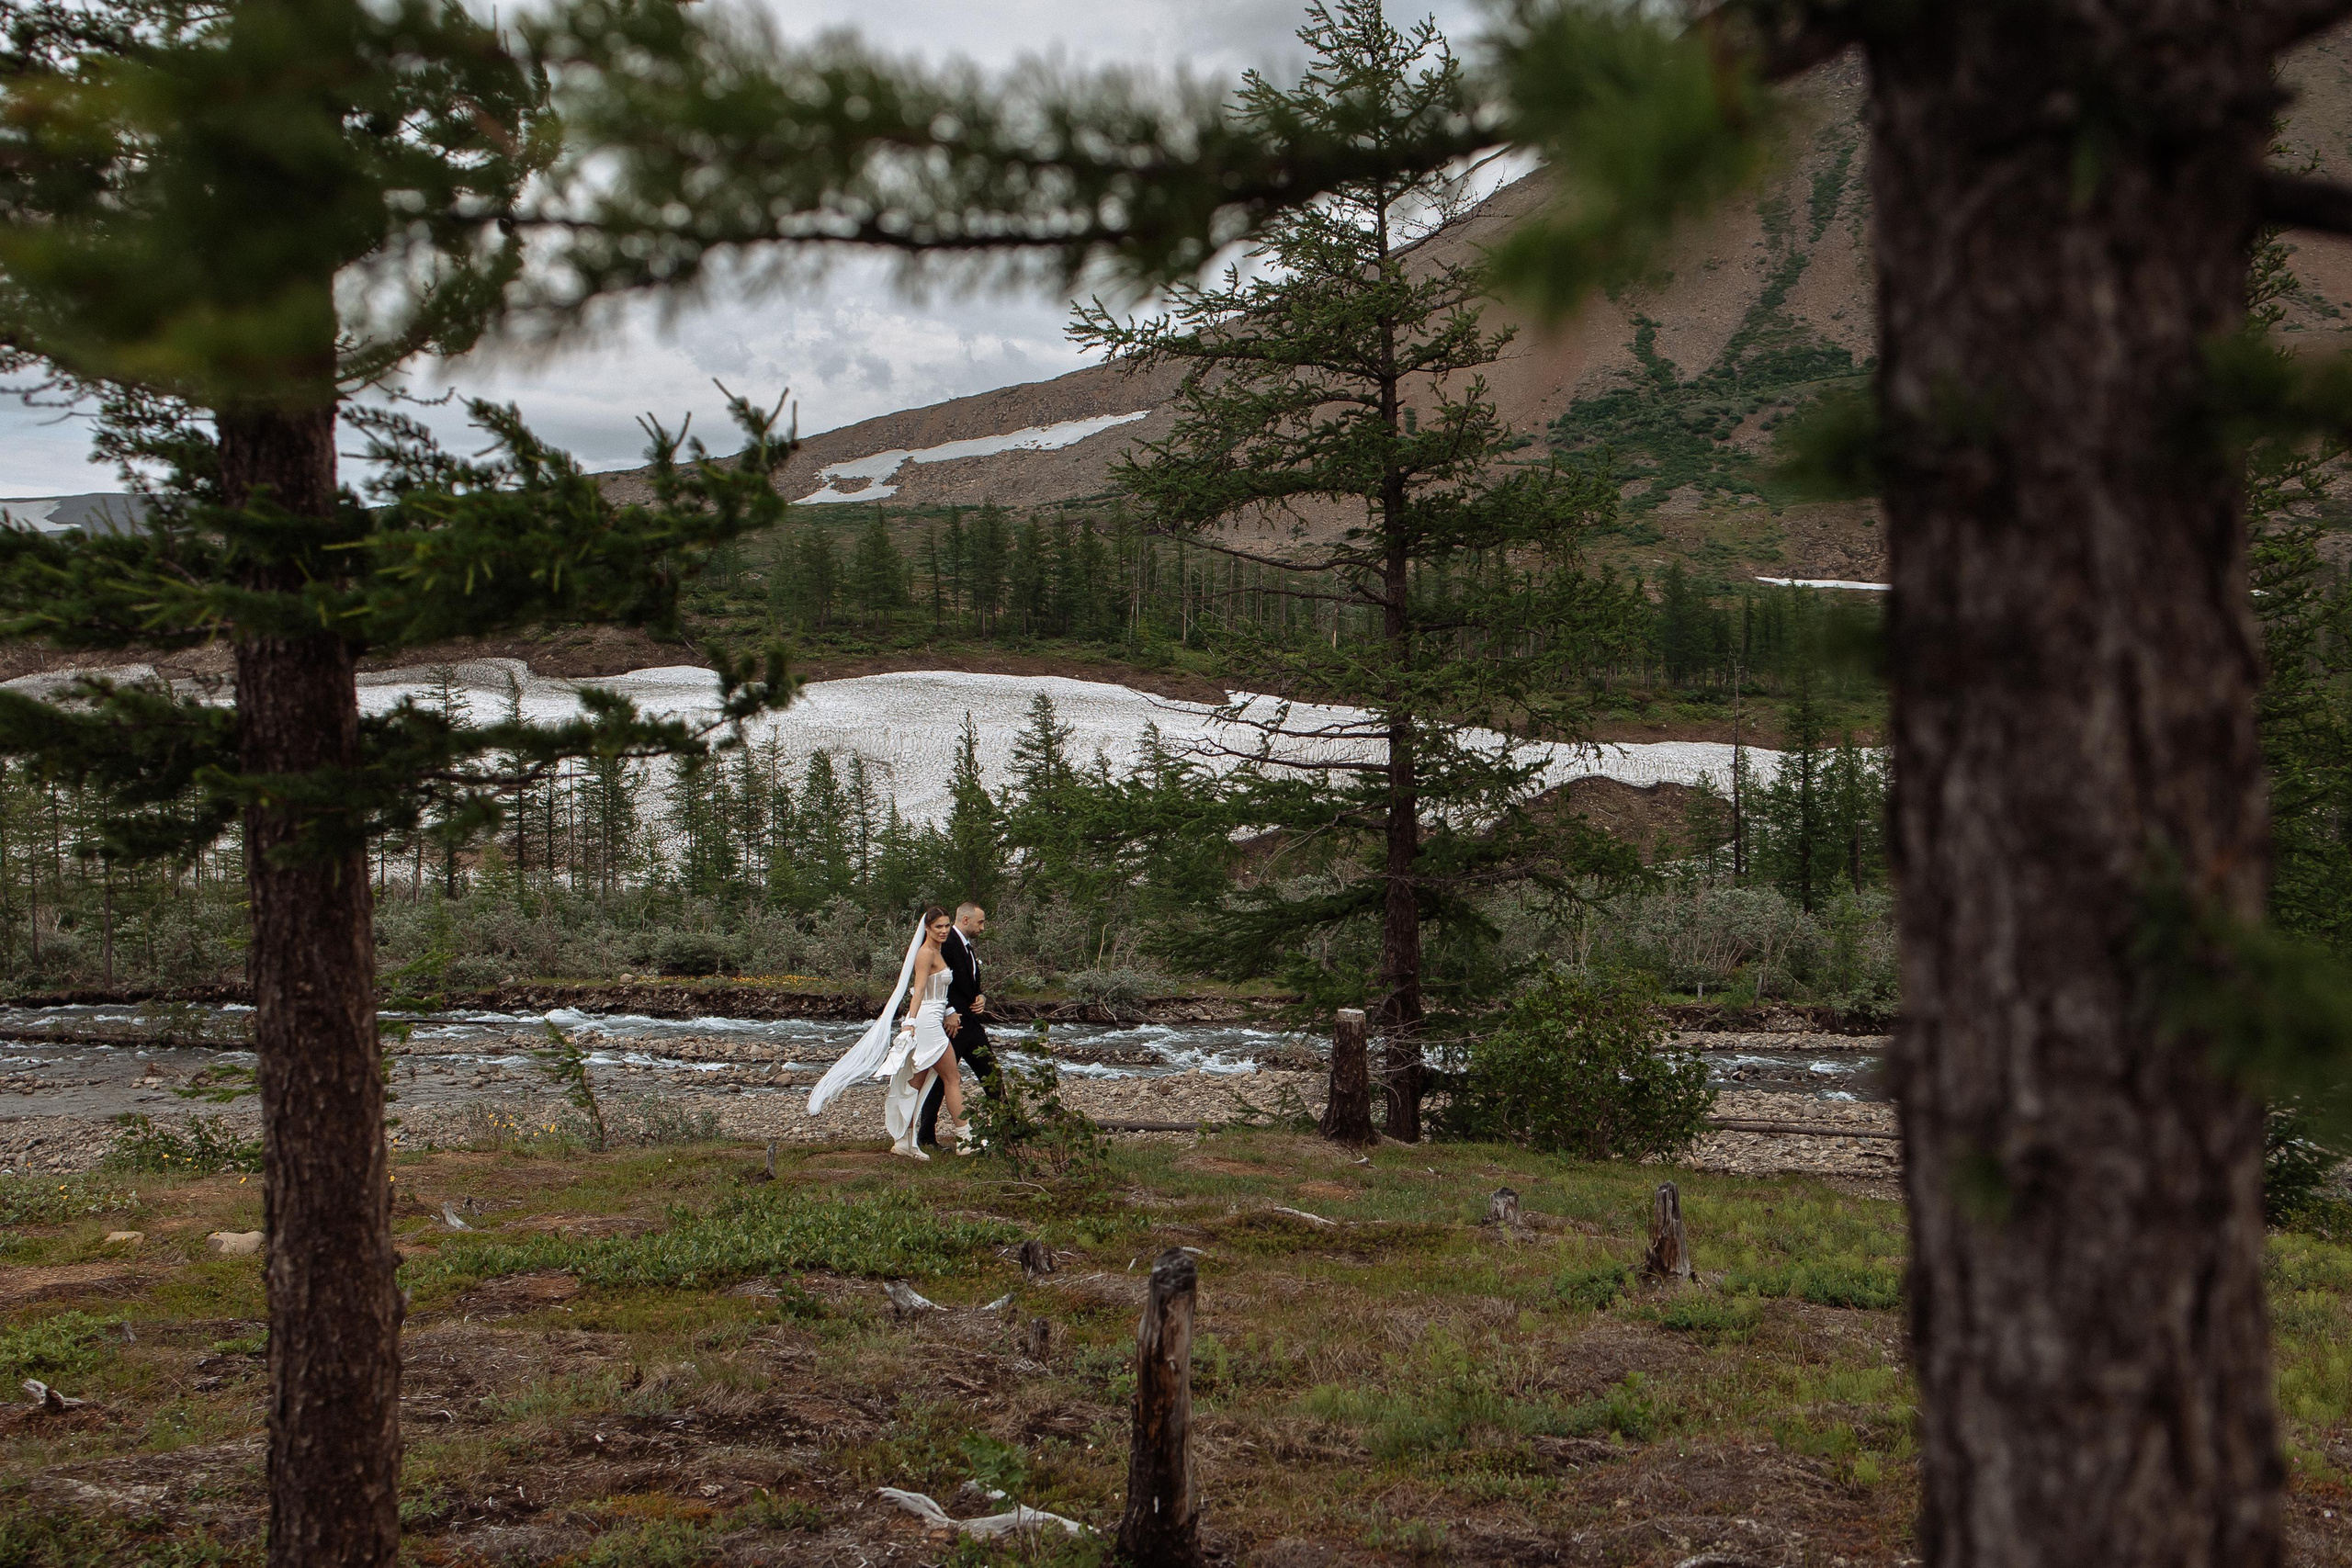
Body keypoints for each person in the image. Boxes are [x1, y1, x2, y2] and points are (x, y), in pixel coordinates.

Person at [802, 905, 976, 1159]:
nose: (944, 930)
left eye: (947, 925)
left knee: (915, 1082)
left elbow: (936, 991)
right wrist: (910, 1023)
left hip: (934, 1017)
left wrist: (949, 1010)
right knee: (952, 1078)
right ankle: (966, 1139)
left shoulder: (938, 951)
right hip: (927, 1023)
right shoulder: (925, 953)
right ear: (927, 928)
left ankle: (905, 1140)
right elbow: (918, 991)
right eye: (938, 926)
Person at [919, 901, 999, 1149]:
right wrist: (949, 1011)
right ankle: (926, 1135)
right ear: (965, 920)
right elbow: (938, 983)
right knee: (941, 1080)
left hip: (970, 1022)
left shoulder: (966, 945)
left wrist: (980, 996)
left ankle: (1008, 1126)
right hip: (953, 1024)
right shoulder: (947, 942)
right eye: (980, 922)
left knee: (990, 1072)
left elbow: (968, 982)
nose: (982, 927)